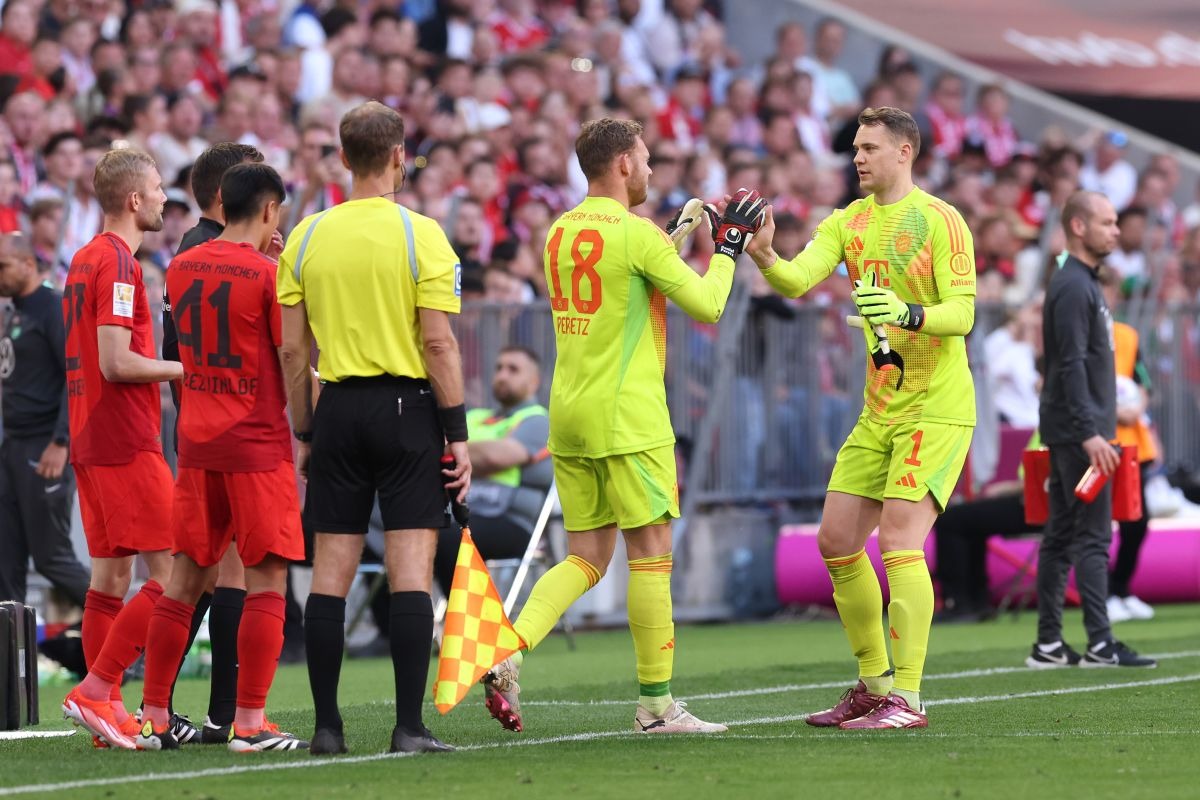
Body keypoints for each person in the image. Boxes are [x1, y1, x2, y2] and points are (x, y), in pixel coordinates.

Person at [482, 118, 759, 736]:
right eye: (648, 158)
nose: (654, 169)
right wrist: (729, 250)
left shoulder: (560, 231)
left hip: (570, 412)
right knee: (652, 555)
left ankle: (509, 648)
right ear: (625, 165)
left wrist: (671, 243)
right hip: (629, 415)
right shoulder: (638, 236)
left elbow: (622, 290)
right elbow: (709, 304)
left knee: (584, 556)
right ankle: (657, 708)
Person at [746, 107, 977, 729]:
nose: (858, 157)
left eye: (871, 147)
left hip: (935, 407)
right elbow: (796, 281)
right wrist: (765, 255)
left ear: (906, 152)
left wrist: (906, 313)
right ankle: (874, 684)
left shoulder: (941, 221)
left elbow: (963, 314)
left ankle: (908, 697)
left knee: (900, 542)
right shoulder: (848, 222)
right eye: (855, 148)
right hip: (879, 410)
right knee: (837, 541)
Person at [277, 101, 469, 756]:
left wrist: (306, 429)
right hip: (406, 409)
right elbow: (439, 344)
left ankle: (327, 729)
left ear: (342, 156)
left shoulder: (304, 236)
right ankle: (407, 728)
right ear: (397, 157)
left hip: (336, 409)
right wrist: (458, 432)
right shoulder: (423, 235)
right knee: (411, 567)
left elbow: (293, 353)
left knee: (330, 571)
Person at [134, 162, 306, 752]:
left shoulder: (179, 268)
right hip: (256, 443)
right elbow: (290, 353)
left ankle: (154, 715)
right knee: (267, 581)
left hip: (199, 442)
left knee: (184, 580)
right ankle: (249, 723)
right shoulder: (266, 274)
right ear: (267, 210)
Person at [60, 148, 182, 750]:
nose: (164, 198)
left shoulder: (83, 259)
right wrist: (185, 369)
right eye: (158, 189)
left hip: (89, 434)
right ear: (134, 200)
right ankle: (98, 688)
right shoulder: (119, 265)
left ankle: (103, 716)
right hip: (123, 439)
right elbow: (115, 360)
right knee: (174, 570)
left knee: (109, 579)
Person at [160, 141, 269, 747]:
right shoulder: (218, 252)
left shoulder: (189, 250)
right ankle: (219, 713)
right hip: (229, 430)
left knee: (206, 575)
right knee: (216, 575)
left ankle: (177, 708)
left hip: (199, 426)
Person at [1030, 191, 1155, 669]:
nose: (1116, 231)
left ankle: (1047, 644)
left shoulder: (1078, 283)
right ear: (1078, 227)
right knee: (1093, 534)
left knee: (1062, 534)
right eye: (1107, 222)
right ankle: (1101, 642)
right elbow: (1069, 366)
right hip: (1083, 439)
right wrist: (1089, 433)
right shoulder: (1075, 286)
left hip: (1073, 432)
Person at [0, 233, 90, 608]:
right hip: (12, 447)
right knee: (5, 563)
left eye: (2, 266)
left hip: (45, 447)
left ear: (27, 263)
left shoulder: (53, 308)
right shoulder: (14, 310)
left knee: (52, 558)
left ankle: (130, 643)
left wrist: (61, 440)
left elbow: (77, 376)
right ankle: (12, 663)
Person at [1098, 266, 1157, 623]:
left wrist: (1136, 408)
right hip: (1098, 441)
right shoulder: (1079, 332)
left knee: (1138, 520)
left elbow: (1142, 380)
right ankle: (1102, 594)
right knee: (1098, 523)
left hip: (1133, 443)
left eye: (1110, 291)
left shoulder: (1127, 335)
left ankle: (1121, 588)